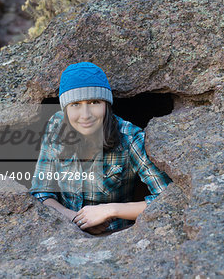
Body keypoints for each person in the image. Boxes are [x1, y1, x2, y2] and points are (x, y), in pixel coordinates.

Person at [29, 62, 172, 235]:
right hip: (65, 232)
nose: (85, 115)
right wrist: (77, 219)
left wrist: (110, 210)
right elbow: (41, 192)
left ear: (106, 104)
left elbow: (167, 198)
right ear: (65, 109)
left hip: (117, 236)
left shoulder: (130, 138)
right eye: (75, 104)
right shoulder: (55, 126)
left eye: (94, 102)